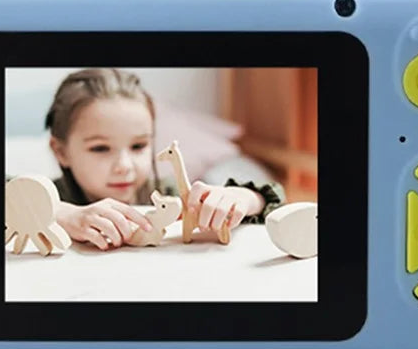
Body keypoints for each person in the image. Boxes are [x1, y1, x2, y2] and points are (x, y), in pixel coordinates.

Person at [43, 68, 284, 250]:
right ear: (61, 152)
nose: (124, 166)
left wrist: (246, 199)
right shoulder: (47, 196)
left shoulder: (170, 196)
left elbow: (276, 204)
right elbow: (20, 196)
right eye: (100, 148)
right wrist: (60, 214)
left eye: (138, 146)